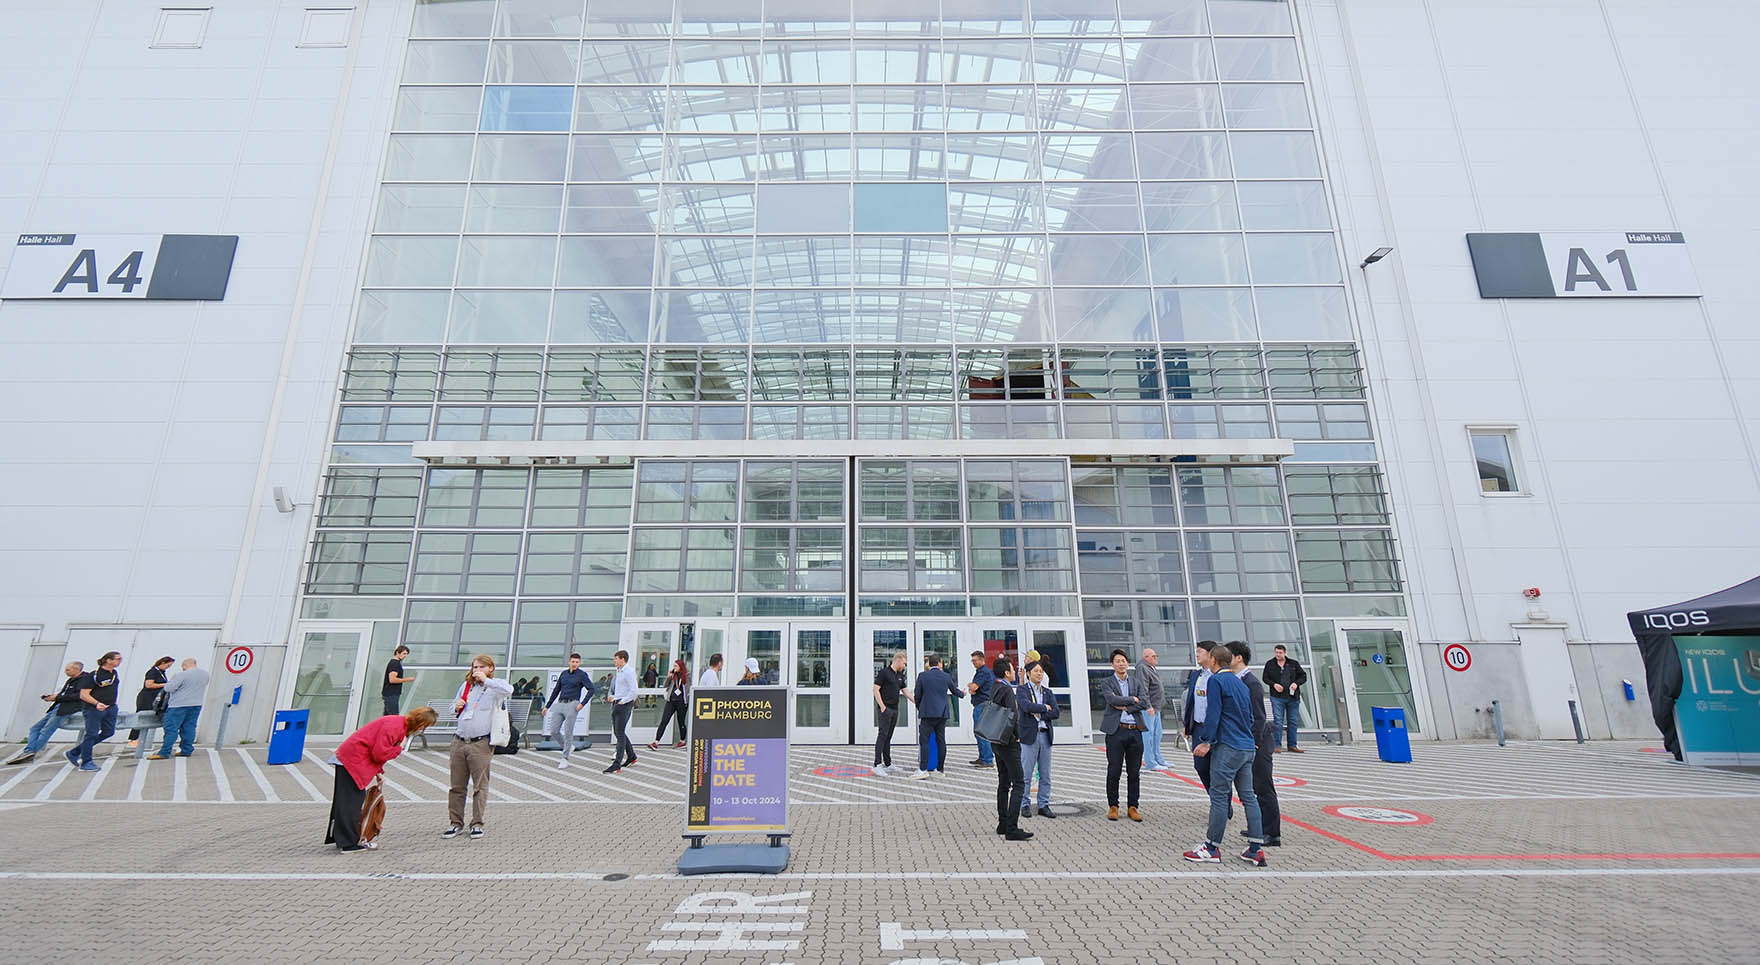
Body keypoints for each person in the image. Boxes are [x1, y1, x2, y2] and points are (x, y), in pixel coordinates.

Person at [1185, 644, 1266, 866]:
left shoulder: (1216, 680)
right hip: (1246, 746)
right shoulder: (1241, 682)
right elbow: (1250, 716)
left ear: (1214, 660)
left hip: (1228, 746)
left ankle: (1211, 847)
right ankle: (1256, 848)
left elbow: (1213, 714)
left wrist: (1206, 742)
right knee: (1248, 796)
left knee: (1219, 796)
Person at [328, 706, 437, 853]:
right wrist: (399, 749)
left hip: (349, 759)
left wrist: (378, 772)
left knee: (346, 801)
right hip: (351, 761)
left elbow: (376, 748)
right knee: (351, 803)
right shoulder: (395, 727)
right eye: (424, 726)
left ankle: (341, 838)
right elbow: (379, 753)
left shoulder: (397, 723)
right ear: (420, 723)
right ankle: (348, 844)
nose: (422, 730)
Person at [442, 654, 512, 840]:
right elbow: (452, 707)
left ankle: (477, 823)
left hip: (480, 743)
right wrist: (455, 706)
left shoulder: (495, 687)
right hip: (459, 740)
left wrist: (486, 680)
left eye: (481, 667)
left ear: (490, 668)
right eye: (475, 667)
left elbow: (508, 689)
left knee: (479, 786)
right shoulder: (466, 686)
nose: (477, 670)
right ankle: (455, 823)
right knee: (457, 786)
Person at [1228, 641, 1282, 847]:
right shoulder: (1237, 680)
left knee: (1263, 787)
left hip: (1257, 742)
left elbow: (1259, 717)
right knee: (1252, 787)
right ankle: (1258, 827)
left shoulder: (1251, 683)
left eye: (1228, 655)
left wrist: (1254, 743)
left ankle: (1271, 833)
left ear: (1238, 658)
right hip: (1247, 741)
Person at [1098, 649, 1150, 821]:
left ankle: (1133, 807)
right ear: (1112, 664)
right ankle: (1113, 806)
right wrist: (1132, 699)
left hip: (1135, 730)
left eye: (1123, 661)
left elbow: (1144, 702)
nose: (1121, 664)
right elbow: (1111, 700)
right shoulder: (1107, 682)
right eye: (1117, 661)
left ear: (1128, 663)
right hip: (1116, 731)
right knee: (1114, 770)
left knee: (1134, 772)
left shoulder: (1136, 682)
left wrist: (1126, 706)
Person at [7, 661, 85, 765]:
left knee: (46, 730)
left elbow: (79, 696)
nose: (65, 672)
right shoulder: (71, 679)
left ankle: (30, 752)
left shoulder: (84, 680)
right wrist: (53, 697)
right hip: (58, 707)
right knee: (34, 728)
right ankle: (29, 752)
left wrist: (57, 697)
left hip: (66, 709)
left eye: (68, 670)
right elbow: (65, 694)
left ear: (76, 669)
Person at [987, 659, 1031, 841]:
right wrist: (1018, 736)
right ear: (1006, 672)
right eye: (1012, 669)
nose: (1014, 672)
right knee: (1019, 783)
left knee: (1003, 783)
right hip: (1008, 742)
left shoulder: (995, 687)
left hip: (996, 740)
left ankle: (1003, 824)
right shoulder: (1006, 690)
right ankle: (1012, 828)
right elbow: (1013, 715)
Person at [1015, 659, 1059, 820]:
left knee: (1045, 774)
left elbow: (1056, 712)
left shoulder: (1047, 692)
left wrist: (1040, 714)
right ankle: (1024, 804)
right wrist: (1044, 708)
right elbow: (1026, 707)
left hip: (1045, 735)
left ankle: (1043, 805)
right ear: (1028, 674)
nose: (1039, 674)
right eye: (1036, 671)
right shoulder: (1022, 690)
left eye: (1041, 671)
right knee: (1026, 773)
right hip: (1029, 736)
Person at [908, 654, 962, 780]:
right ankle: (940, 770)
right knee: (941, 741)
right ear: (940, 663)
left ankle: (923, 769)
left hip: (927, 713)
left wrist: (920, 707)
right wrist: (963, 693)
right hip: (942, 714)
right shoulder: (946, 676)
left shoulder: (922, 676)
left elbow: (917, 695)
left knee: (924, 741)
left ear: (929, 664)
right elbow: (955, 691)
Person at [69, 651, 122, 771]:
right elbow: (83, 694)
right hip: (94, 709)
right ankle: (86, 762)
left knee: (108, 732)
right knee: (91, 734)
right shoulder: (94, 675)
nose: (120, 661)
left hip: (110, 707)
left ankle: (74, 752)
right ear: (108, 660)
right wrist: (96, 703)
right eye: (117, 659)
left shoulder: (114, 673)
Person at [148, 658, 209, 759]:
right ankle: (186, 750)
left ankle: (164, 752)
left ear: (184, 665)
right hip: (196, 704)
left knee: (171, 728)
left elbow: (168, 688)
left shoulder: (181, 675)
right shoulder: (205, 674)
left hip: (178, 705)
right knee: (189, 728)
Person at [544, 652, 595, 769]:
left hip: (573, 704)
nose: (575, 664)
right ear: (569, 662)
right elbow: (556, 690)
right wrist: (547, 706)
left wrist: (582, 704)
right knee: (553, 731)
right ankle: (568, 747)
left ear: (580, 663)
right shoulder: (563, 674)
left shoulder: (582, 675)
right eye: (573, 661)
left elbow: (591, 689)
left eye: (577, 662)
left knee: (568, 732)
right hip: (560, 703)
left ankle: (565, 758)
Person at [1182, 641, 1220, 789]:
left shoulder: (1218, 675)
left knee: (1218, 769)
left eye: (1200, 651)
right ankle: (1215, 797)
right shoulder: (1196, 675)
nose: (1196, 654)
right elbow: (1190, 702)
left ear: (1211, 654)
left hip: (1216, 728)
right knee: (1200, 766)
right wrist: (1187, 726)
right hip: (1198, 727)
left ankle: (1221, 801)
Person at [871, 650, 911, 776]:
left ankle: (887, 764)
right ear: (898, 660)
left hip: (895, 709)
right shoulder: (884, 673)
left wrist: (917, 701)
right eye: (904, 663)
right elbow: (875, 689)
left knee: (888, 737)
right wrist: (882, 706)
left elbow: (905, 691)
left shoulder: (900, 675)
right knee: (882, 735)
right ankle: (877, 765)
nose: (904, 666)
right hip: (885, 709)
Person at [1262, 644, 1308, 753]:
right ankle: (1277, 745)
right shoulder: (1270, 664)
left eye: (1280, 653)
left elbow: (1303, 676)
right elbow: (1265, 678)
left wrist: (1296, 683)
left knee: (1293, 721)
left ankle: (1292, 745)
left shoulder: (1293, 663)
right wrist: (1274, 685)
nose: (1278, 654)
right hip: (1277, 697)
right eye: (1276, 652)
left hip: (1293, 697)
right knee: (1278, 721)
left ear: (1285, 653)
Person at [1133, 647, 1167, 772]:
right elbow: (1143, 688)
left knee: (1157, 734)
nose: (1156, 658)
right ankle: (1150, 762)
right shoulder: (1142, 668)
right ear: (1145, 657)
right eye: (1153, 656)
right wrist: (1148, 706)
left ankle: (1158, 759)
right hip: (1149, 708)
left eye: (1156, 655)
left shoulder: (1151, 667)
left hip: (1156, 707)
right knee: (1148, 735)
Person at [604, 649, 638, 773]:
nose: (614, 661)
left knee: (620, 733)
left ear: (622, 659)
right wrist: (613, 697)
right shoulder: (619, 671)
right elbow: (621, 690)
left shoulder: (629, 671)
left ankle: (617, 763)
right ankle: (632, 756)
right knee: (618, 732)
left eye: (616, 659)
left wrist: (623, 701)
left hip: (624, 705)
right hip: (617, 703)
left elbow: (634, 691)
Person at [126, 656, 172, 748]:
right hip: (146, 698)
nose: (168, 667)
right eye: (168, 665)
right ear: (162, 663)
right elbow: (148, 685)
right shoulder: (153, 672)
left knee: (149, 718)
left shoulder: (162, 673)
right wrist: (165, 684)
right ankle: (134, 739)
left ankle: (143, 739)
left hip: (155, 698)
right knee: (142, 716)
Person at [650, 659, 689, 750]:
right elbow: (665, 685)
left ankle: (682, 741)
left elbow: (688, 689)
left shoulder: (687, 676)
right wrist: (669, 677)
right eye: (674, 666)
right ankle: (656, 742)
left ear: (680, 667)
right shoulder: (673, 675)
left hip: (681, 702)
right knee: (664, 720)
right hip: (671, 701)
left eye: (676, 666)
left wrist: (686, 699)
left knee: (681, 722)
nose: (674, 668)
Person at [967, 651, 996, 768]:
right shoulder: (983, 671)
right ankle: (983, 757)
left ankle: (987, 759)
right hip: (983, 705)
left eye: (975, 660)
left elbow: (974, 687)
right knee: (980, 732)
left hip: (982, 705)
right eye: (972, 660)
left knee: (982, 733)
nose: (973, 663)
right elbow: (973, 689)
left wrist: (971, 686)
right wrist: (972, 688)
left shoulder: (983, 672)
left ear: (981, 660)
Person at [382, 645, 415, 716]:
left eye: (406, 654)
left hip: (390, 694)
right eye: (404, 653)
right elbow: (392, 679)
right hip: (391, 694)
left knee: (388, 717)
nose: (405, 656)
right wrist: (408, 679)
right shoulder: (395, 663)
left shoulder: (395, 663)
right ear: (397, 652)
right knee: (394, 717)